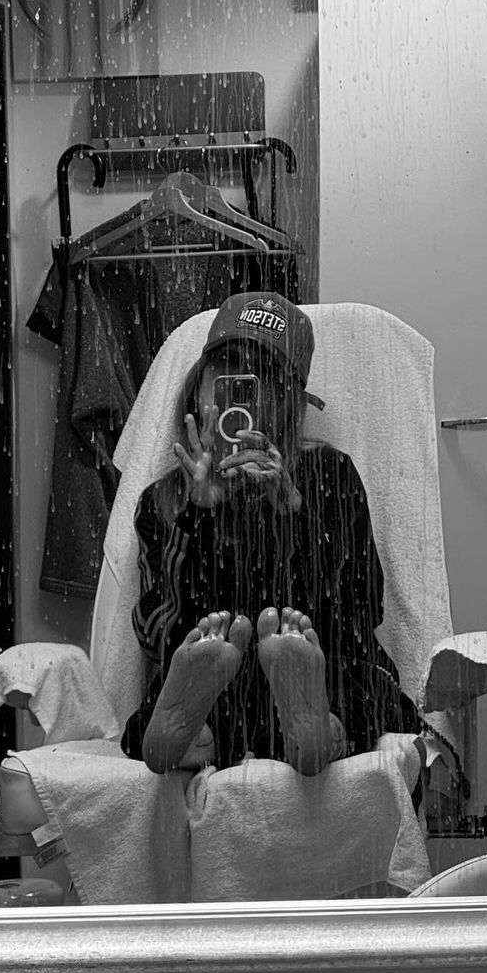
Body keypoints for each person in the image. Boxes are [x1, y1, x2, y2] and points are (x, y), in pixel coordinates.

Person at [121, 291, 424, 777]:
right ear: (198, 384)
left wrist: (292, 513)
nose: (242, 391)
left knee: (357, 684)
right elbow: (158, 635)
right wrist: (200, 515)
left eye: (265, 377)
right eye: (227, 368)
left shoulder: (330, 475)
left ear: (287, 404)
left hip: (325, 663)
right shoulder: (165, 500)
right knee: (190, 686)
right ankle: (204, 732)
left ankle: (313, 727)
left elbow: (361, 611)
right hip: (224, 678)